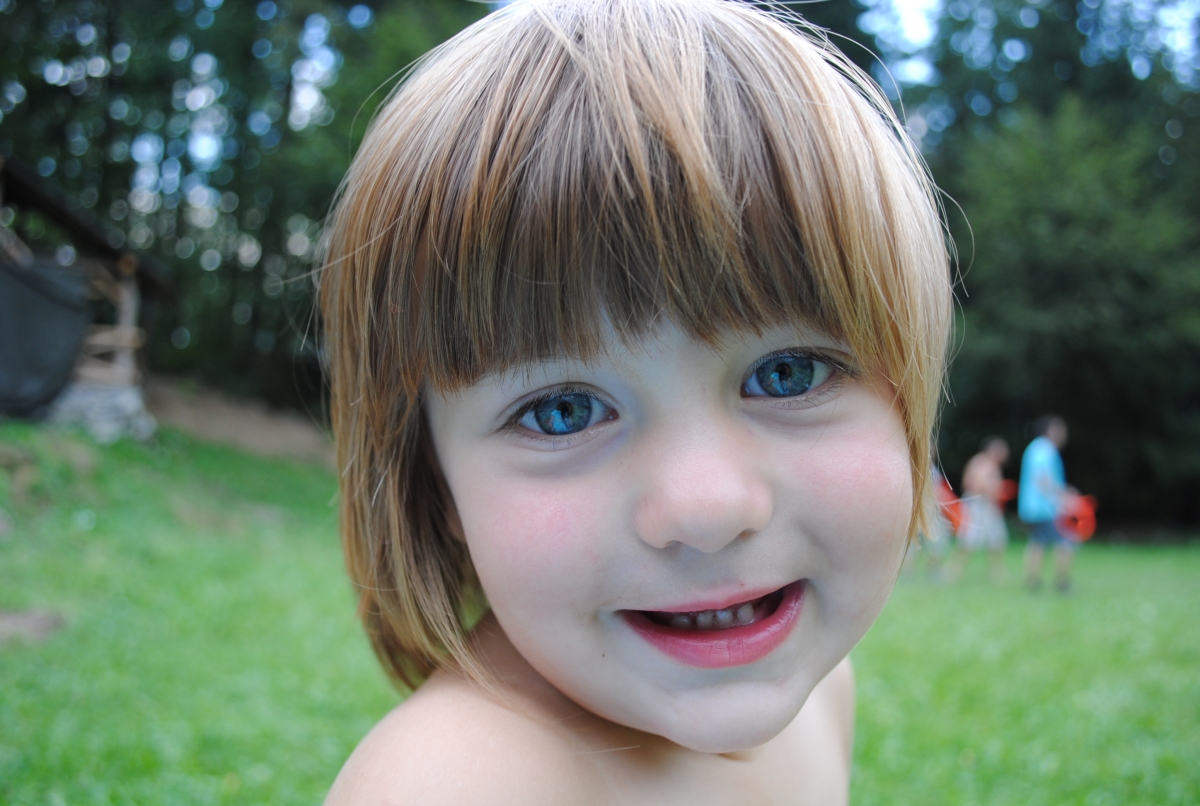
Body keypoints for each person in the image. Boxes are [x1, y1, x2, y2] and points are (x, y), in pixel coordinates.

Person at [318, 1, 952, 801]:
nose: (707, 509)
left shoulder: (822, 692)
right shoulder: (456, 784)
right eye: (564, 412)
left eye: (789, 373)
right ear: (434, 485)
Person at [1019, 416, 1075, 592]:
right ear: (1050, 430)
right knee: (1065, 541)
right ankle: (1062, 582)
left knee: (1037, 542)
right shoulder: (1045, 449)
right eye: (1059, 430)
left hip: (1031, 507)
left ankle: (1033, 581)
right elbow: (1042, 478)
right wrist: (1063, 497)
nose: (1063, 434)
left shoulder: (1035, 448)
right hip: (1044, 508)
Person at [951, 437, 1011, 583]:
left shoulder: (991, 465)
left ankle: (996, 572)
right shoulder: (981, 463)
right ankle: (954, 571)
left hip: (988, 505)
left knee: (997, 538)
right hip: (977, 504)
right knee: (969, 539)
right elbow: (973, 484)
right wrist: (993, 489)